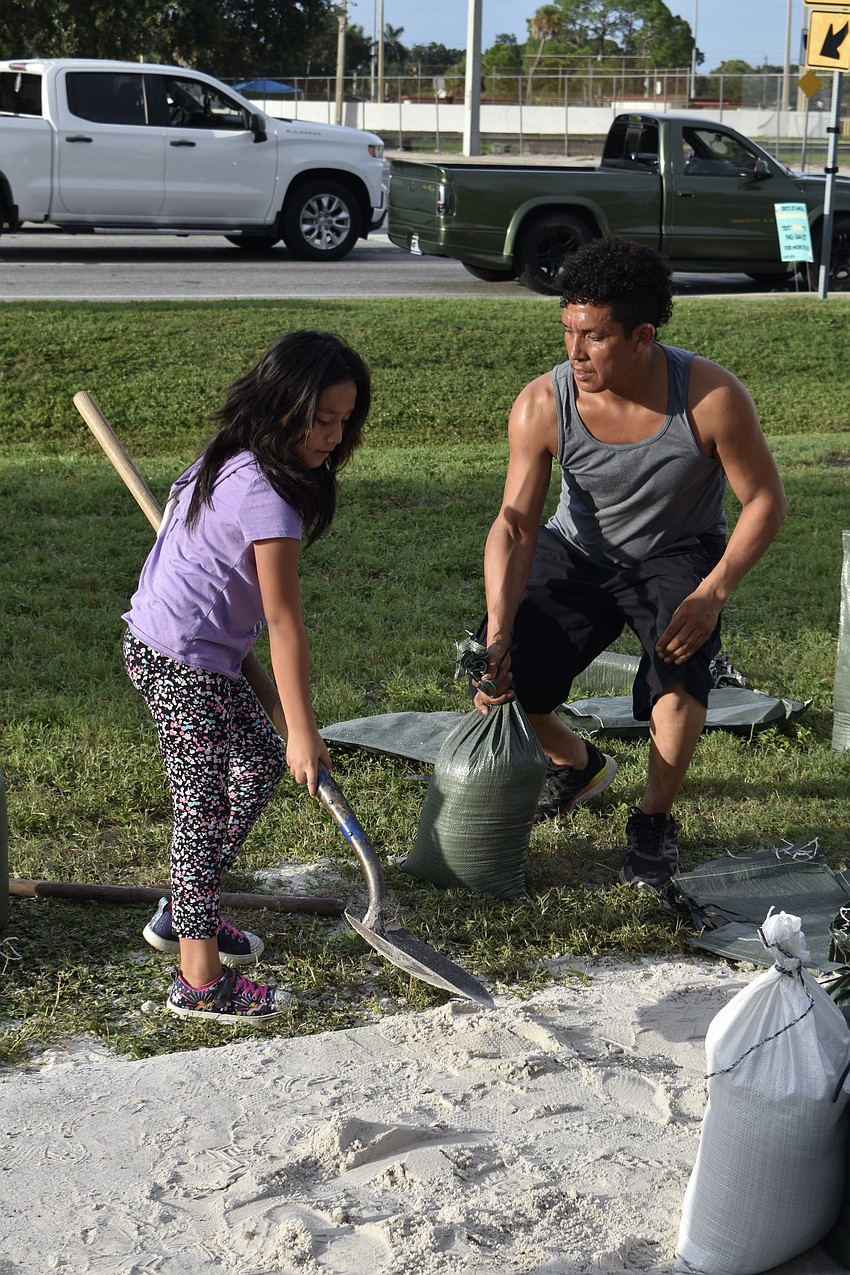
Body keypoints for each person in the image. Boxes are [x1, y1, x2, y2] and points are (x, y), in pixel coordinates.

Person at [472, 238, 786, 891]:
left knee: (680, 663)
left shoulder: (710, 397)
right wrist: (497, 627)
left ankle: (651, 821)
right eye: (567, 331)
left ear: (643, 335)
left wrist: (713, 592)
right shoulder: (542, 403)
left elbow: (764, 501)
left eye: (594, 336)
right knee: (498, 676)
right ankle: (577, 762)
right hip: (578, 548)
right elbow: (516, 523)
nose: (575, 352)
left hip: (677, 552)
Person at [123, 330, 371, 1023]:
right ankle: (197, 982)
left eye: (345, 420)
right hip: (181, 660)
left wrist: (284, 732)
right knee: (200, 813)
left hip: (198, 650)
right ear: (282, 406)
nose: (334, 434)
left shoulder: (235, 457)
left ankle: (184, 907)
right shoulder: (267, 496)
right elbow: (286, 622)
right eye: (322, 419)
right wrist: (303, 726)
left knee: (258, 764)